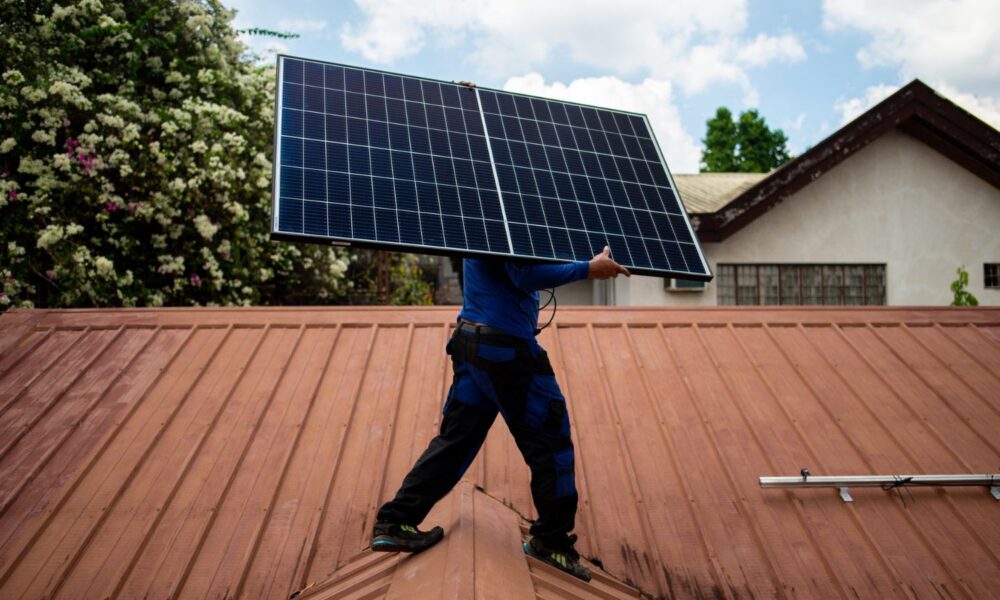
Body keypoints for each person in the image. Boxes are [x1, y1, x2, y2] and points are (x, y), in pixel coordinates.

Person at [371, 246, 629, 582]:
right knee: (552, 445)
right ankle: (551, 543)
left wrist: (585, 260)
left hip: (471, 342)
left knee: (456, 441)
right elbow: (524, 274)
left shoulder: (486, 206)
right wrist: (587, 269)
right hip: (506, 353)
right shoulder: (506, 209)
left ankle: (396, 520)